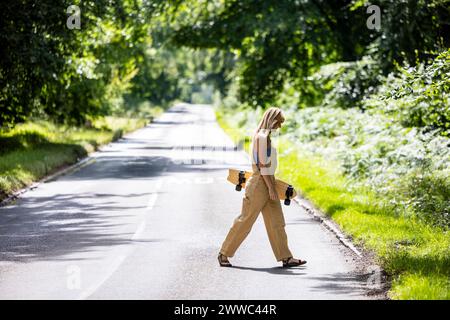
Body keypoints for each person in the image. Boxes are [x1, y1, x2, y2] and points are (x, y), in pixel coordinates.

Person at [218, 107, 307, 268]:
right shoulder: (261, 137)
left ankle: (286, 257)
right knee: (245, 221)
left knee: (277, 222)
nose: (280, 126)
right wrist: (271, 189)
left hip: (268, 181)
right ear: (272, 120)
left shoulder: (265, 136)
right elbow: (263, 165)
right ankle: (224, 253)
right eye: (279, 122)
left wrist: (272, 185)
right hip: (260, 184)